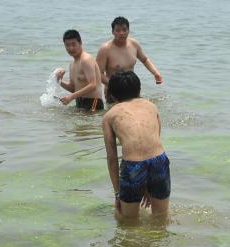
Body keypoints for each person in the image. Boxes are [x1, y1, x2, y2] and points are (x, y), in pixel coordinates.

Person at [102, 71, 170, 220]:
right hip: (159, 160)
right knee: (161, 217)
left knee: (127, 220)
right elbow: (154, 139)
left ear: (112, 94)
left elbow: (112, 158)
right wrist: (148, 182)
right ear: (139, 90)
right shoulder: (152, 106)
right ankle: (160, 243)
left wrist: (117, 194)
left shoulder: (109, 116)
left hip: (133, 166)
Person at [96, 17, 163, 103]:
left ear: (128, 30)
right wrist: (114, 86)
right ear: (112, 32)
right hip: (114, 91)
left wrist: (155, 73)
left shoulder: (134, 44)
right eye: (118, 30)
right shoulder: (105, 49)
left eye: (124, 30)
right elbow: (98, 74)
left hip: (132, 88)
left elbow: (145, 60)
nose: (121, 33)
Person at [56, 30, 104, 111]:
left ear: (80, 43)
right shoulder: (72, 64)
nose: (71, 48)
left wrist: (71, 97)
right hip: (79, 101)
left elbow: (93, 85)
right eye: (67, 45)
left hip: (93, 102)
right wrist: (59, 80)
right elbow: (73, 89)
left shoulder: (86, 59)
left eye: (74, 44)